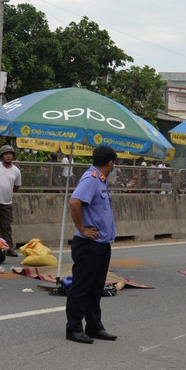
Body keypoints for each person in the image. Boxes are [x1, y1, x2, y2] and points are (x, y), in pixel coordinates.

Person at [65, 144, 118, 344]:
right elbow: (74, 202)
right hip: (88, 243)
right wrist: (83, 228)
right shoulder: (91, 178)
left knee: (96, 287)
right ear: (110, 162)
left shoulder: (100, 181)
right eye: (114, 162)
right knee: (82, 287)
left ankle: (94, 326)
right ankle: (74, 328)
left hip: (102, 243)